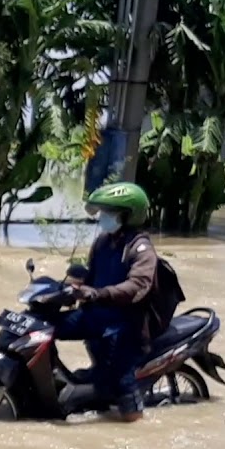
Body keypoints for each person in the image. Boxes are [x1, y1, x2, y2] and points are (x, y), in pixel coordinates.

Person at [60, 181, 158, 422]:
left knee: (121, 378)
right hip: (97, 316)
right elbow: (90, 277)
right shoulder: (103, 242)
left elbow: (138, 285)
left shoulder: (141, 249)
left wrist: (98, 293)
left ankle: (134, 419)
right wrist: (71, 288)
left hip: (126, 325)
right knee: (50, 327)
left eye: (109, 212)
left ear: (126, 215)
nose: (103, 217)